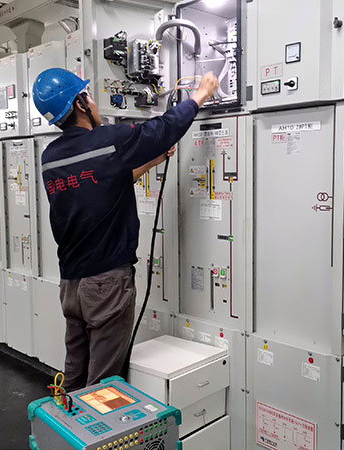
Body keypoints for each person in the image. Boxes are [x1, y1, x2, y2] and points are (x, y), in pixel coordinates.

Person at [32, 68, 219, 391]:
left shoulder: (51, 157)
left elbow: (100, 184)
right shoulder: (107, 141)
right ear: (79, 104)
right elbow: (164, 128)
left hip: (72, 286)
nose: (94, 103)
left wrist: (150, 162)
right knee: (103, 383)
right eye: (89, 96)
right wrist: (201, 94)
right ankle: (95, 424)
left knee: (75, 370)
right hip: (106, 284)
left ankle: (64, 421)